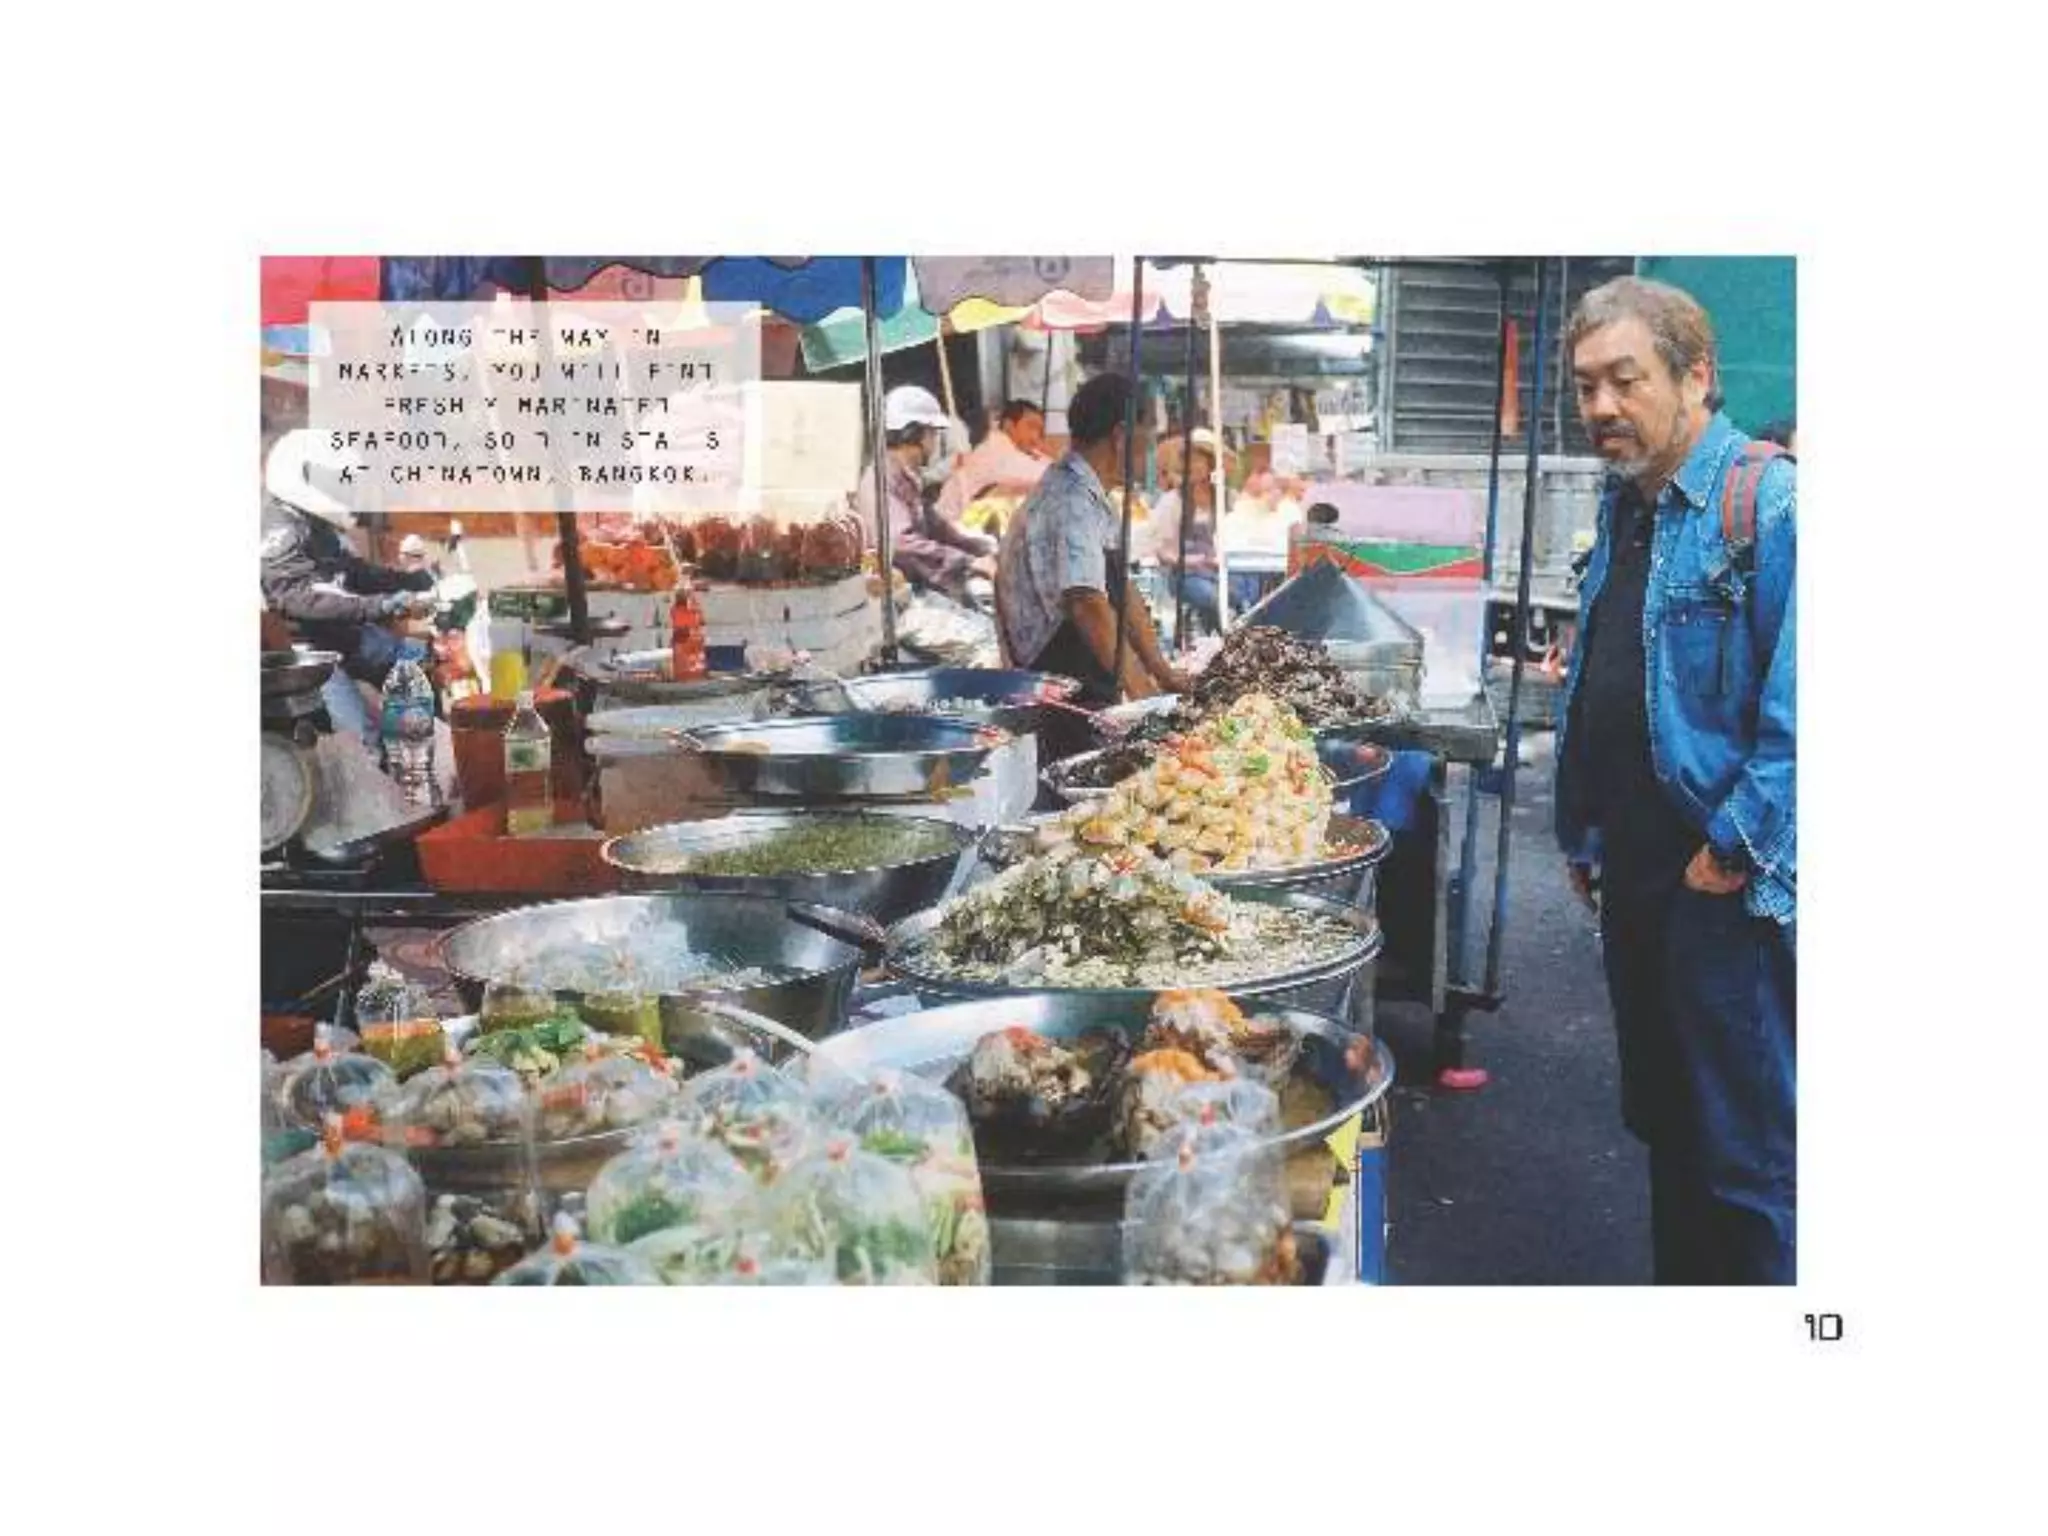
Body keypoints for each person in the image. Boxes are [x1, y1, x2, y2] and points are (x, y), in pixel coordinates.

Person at [1553, 276, 1797, 1285]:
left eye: (1624, 380)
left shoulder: (1770, 505)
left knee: (1743, 1156)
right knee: (1664, 1124)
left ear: (1694, 374)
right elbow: (1610, 679)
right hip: (1636, 874)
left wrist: (1726, 855)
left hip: (1720, 888)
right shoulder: (1627, 506)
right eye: (1583, 387)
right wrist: (1585, 830)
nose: (1601, 406)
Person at [994, 372, 1186, 704]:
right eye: (1151, 435)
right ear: (1122, 437)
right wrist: (1143, 695)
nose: (1154, 449)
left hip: (1082, 677)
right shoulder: (1073, 502)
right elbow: (1087, 603)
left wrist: (1160, 669)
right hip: (1062, 692)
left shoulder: (1089, 492)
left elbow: (1120, 589)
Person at [260, 429, 436, 748]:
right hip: (311, 652)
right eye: (334, 482)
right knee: (364, 741)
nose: (342, 491)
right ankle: (385, 780)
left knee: (420, 660)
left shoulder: (312, 522)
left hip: (345, 633)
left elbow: (352, 572)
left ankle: (414, 754)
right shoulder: (279, 529)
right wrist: (381, 606)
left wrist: (407, 581)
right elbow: (299, 599)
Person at [856, 384, 996, 602]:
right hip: (897, 602)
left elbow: (938, 528)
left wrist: (983, 548)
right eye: (932, 433)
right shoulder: (881, 479)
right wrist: (967, 562)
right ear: (915, 433)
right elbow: (900, 543)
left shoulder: (905, 477)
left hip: (920, 589)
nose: (935, 441)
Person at [1152, 430, 1260, 631]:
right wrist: (1192, 560)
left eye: (1198, 460)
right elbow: (1160, 550)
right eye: (1188, 461)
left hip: (1225, 570)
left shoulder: (1229, 498)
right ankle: (1219, 640)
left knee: (1250, 593)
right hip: (1188, 574)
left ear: (1211, 463)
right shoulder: (1173, 502)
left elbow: (1246, 533)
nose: (1193, 466)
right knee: (1213, 597)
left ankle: (1247, 637)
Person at [937, 398, 1052, 534]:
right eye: (1030, 426)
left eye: (1039, 430)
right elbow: (1042, 475)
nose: (1035, 436)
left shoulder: (1023, 455)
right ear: (1009, 425)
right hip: (954, 527)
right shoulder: (995, 449)